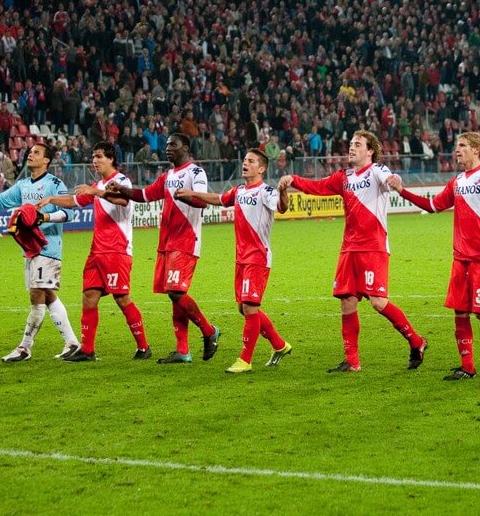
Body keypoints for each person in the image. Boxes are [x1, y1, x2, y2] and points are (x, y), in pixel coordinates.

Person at [278, 129, 427, 372]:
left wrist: (396, 181)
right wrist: (294, 180)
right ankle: (352, 361)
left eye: (358, 144)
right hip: (349, 249)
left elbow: (390, 177)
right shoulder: (343, 177)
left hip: (374, 247)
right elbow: (318, 187)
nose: (352, 147)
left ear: (370, 151)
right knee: (347, 302)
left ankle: (416, 341)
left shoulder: (377, 170)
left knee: (378, 302)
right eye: (351, 143)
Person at [390, 132, 480, 380]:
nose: (457, 150)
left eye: (462, 146)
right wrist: (402, 191)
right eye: (456, 146)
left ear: (476, 149)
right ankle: (467, 367)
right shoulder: (457, 181)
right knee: (460, 312)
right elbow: (432, 206)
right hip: (460, 257)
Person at [174, 148, 292, 374]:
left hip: (257, 258)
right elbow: (218, 199)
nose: (245, 163)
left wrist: (283, 191)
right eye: (245, 160)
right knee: (244, 307)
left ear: (262, 168)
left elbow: (282, 207)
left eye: (251, 161)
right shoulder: (239, 191)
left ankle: (245, 360)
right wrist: (192, 193)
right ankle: (279, 345)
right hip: (241, 259)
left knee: (249, 307)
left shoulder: (266, 191)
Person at [105, 132, 220, 364]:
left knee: (176, 292)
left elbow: (202, 201)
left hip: (186, 240)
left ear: (185, 147)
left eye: (173, 144)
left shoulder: (195, 172)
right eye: (167, 145)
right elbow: (144, 195)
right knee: (175, 295)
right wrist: (120, 189)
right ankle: (183, 351)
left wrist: (188, 196)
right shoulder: (167, 176)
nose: (168, 148)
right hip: (166, 243)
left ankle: (209, 331)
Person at [0, 143, 81, 362]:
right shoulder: (24, 185)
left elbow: (69, 214)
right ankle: (72, 342)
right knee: (47, 295)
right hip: (30, 248)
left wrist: (44, 217)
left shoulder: (54, 184)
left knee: (36, 294)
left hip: (48, 247)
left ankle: (25, 347)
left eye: (36, 152)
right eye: (30, 152)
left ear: (46, 160)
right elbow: (0, 202)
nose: (31, 154)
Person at [35, 141, 151, 361]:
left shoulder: (122, 181)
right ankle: (87, 350)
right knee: (89, 297)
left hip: (117, 250)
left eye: (98, 156)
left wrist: (97, 191)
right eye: (93, 157)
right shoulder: (97, 185)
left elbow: (123, 200)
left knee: (122, 298)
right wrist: (51, 199)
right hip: (97, 251)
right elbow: (74, 200)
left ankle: (144, 347)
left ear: (111, 159)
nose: (94, 161)